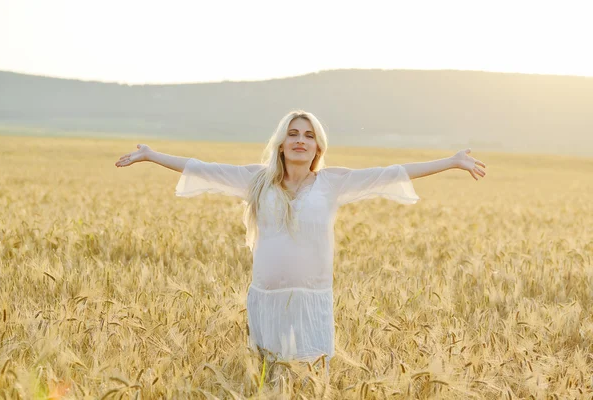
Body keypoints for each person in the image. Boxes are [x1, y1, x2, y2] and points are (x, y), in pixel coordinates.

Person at [114, 109, 486, 379]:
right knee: (269, 378)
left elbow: (392, 174)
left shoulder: (332, 183)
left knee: (309, 380)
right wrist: (151, 155)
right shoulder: (256, 181)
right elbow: (201, 168)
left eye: (309, 136)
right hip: (267, 300)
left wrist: (452, 161)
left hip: (312, 301)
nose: (300, 140)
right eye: (293, 133)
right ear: (280, 142)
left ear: (318, 147)